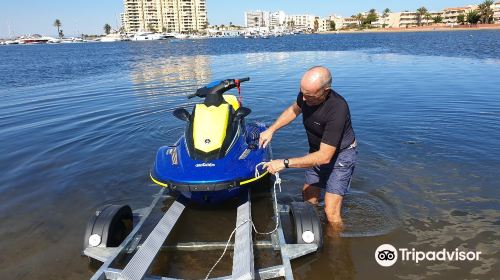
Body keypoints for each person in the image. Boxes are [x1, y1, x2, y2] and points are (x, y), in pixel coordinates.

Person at [261, 66, 357, 228]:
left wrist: (284, 163)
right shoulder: (306, 95)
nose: (304, 100)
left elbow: (325, 157)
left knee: (331, 212)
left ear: (325, 91)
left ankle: (336, 246)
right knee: (308, 198)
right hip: (316, 151)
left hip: (340, 156)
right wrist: (271, 129)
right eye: (302, 93)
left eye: (309, 96)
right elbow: (293, 110)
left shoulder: (337, 108)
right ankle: (311, 231)